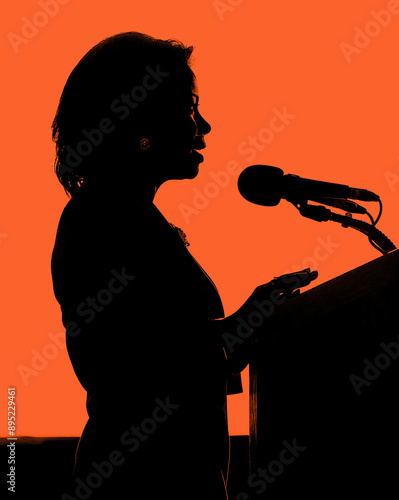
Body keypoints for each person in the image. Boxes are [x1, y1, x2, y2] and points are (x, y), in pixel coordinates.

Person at [51, 32, 311, 499]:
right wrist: (249, 321)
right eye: (190, 108)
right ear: (137, 119)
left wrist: (256, 324)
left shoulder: (127, 217)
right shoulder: (101, 220)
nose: (205, 125)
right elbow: (144, 369)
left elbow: (180, 360)